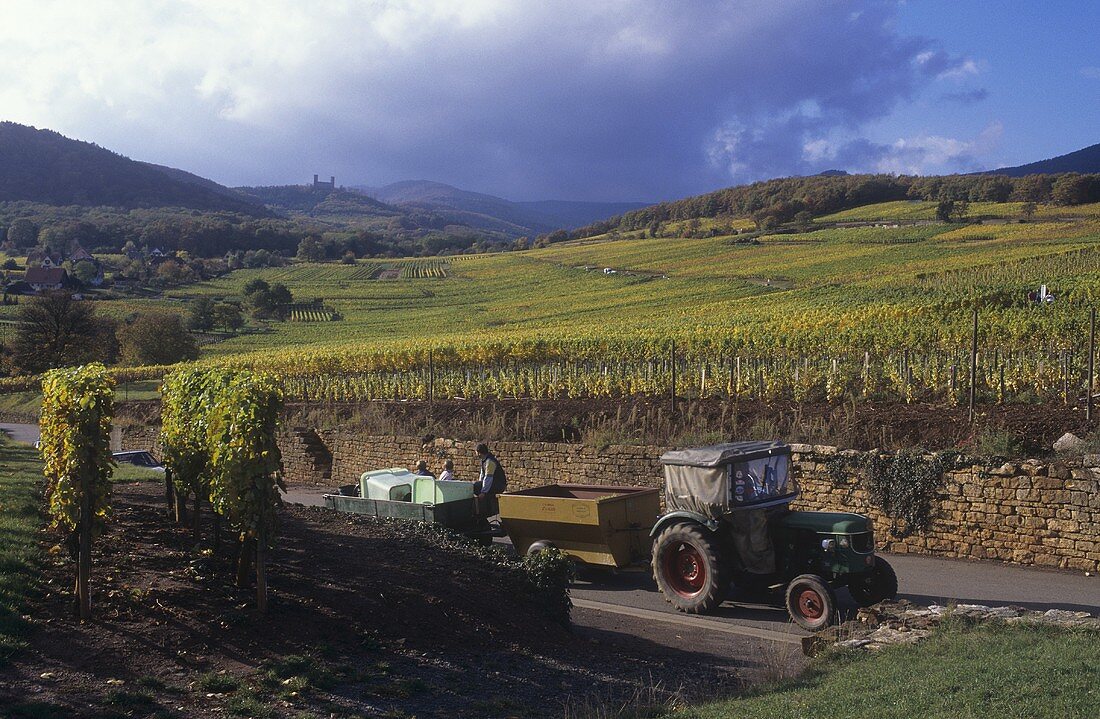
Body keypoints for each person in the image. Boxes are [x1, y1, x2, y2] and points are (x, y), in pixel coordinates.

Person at [473, 443, 507, 516]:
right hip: (494, 483)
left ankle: (486, 511)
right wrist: (480, 483)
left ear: (479, 452)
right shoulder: (484, 460)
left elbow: (488, 478)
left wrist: (483, 492)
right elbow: (482, 475)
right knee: (476, 485)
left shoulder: (490, 462)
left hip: (499, 484)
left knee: (477, 487)